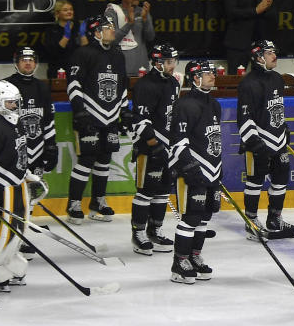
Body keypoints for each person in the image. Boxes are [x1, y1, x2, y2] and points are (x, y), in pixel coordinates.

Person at [65, 15, 130, 224]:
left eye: (112, 27)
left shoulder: (118, 55)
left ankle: (97, 201)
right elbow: (73, 84)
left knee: (104, 158)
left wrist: (123, 111)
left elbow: (123, 86)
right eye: (107, 27)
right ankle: (73, 203)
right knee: (86, 159)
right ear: (96, 31)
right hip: (89, 114)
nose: (112, 30)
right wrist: (79, 111)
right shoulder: (82, 53)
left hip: (110, 116)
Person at [235, 40, 294, 239]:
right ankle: (251, 220)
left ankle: (274, 218)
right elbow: (244, 117)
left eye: (274, 52)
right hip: (258, 143)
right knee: (255, 181)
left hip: (278, 142)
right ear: (258, 56)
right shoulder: (248, 82)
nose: (274, 56)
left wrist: (284, 127)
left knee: (280, 180)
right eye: (270, 53)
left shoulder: (277, 78)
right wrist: (254, 142)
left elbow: (277, 109)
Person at [168, 60, 222, 284]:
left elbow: (215, 141)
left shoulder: (215, 104)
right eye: (207, 73)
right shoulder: (184, 105)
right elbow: (178, 141)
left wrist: (219, 170)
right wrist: (189, 167)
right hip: (191, 171)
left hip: (211, 171)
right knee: (190, 217)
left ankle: (194, 255)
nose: (212, 76)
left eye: (212, 73)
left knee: (204, 217)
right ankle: (179, 262)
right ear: (194, 78)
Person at [130, 43, 180, 255]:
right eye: (168, 62)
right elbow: (139, 120)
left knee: (162, 191)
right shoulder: (145, 85)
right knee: (145, 191)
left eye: (173, 61)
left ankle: (155, 230)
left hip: (167, 147)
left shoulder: (173, 84)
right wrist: (154, 144)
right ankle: (138, 233)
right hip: (149, 148)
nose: (172, 65)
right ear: (157, 63)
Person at [0, 80, 29, 290]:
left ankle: (8, 261)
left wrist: (24, 172)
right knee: (3, 229)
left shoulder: (13, 120)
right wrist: (4, 178)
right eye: (10, 102)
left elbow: (17, 151)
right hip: (2, 186)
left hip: (17, 183)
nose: (14, 106)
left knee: (19, 227)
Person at [5, 47, 57, 180]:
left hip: (38, 148)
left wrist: (51, 146)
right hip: (15, 149)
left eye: (31, 60)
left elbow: (48, 121)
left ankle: (31, 202)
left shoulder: (43, 87)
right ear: (16, 63)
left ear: (36, 63)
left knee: (35, 186)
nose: (28, 63)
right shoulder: (6, 86)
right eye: (23, 60)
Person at [104, 0, 156, 77]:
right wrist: (129, 24)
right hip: (119, 70)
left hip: (142, 70)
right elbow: (111, 41)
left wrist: (145, 20)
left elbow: (150, 37)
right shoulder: (112, 12)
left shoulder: (143, 11)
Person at [42, 0, 87, 79]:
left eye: (71, 9)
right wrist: (66, 36)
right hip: (58, 71)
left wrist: (83, 35)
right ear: (57, 13)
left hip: (76, 69)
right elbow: (54, 53)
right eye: (65, 10)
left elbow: (86, 49)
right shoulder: (51, 31)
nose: (69, 12)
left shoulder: (77, 28)